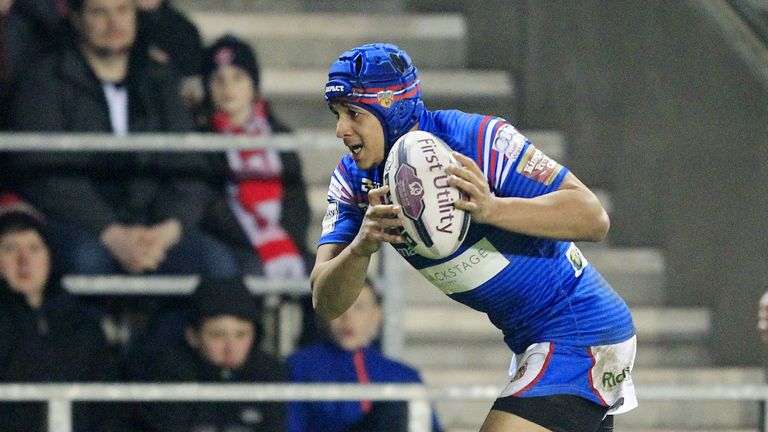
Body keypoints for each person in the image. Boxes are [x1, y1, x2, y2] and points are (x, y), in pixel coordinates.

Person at [311, 43, 637, 432]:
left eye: (353, 114)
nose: (340, 130)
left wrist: (493, 209)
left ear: (391, 106)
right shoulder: (353, 182)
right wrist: (361, 249)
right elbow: (325, 300)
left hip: (578, 329)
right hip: (531, 342)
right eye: (336, 114)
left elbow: (593, 217)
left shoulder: (478, 139)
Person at [5, 0, 238, 279]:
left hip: (156, 229)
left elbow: (190, 165)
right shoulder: (42, 81)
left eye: (123, 10)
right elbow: (46, 174)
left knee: (217, 265)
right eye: (99, 12)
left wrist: (169, 229)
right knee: (87, 261)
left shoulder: (161, 80)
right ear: (77, 19)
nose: (114, 24)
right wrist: (111, 232)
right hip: (81, 225)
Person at [199, 34, 310, 279]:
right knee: (247, 273)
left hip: (284, 241)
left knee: (327, 274)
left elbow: (296, 198)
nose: (227, 88)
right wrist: (254, 242)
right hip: (235, 245)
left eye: (237, 77)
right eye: (218, 79)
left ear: (253, 83)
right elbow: (211, 206)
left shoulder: (280, 135)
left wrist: (284, 241)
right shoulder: (201, 140)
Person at [0, 209, 122, 432]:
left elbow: (105, 408)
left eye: (34, 249)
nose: (24, 260)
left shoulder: (83, 323)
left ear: (49, 258)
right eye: (10, 249)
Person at [287, 279, 442, 432]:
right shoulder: (298, 367)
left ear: (376, 316)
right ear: (321, 315)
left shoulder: (403, 375)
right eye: (338, 308)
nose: (348, 318)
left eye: (359, 308)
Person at [135, 278, 288, 432]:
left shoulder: (269, 374)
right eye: (217, 335)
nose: (230, 348)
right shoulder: (168, 375)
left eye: (241, 334)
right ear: (192, 336)